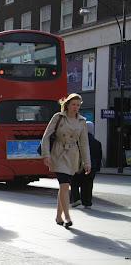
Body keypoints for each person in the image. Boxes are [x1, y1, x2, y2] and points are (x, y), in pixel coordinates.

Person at [41, 93, 91, 228]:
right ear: (67, 104)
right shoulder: (58, 117)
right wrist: (46, 154)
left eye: (78, 105)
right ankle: (67, 216)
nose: (76, 107)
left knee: (63, 187)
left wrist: (87, 162)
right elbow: (46, 136)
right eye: (74, 104)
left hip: (73, 156)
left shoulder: (82, 121)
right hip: (58, 153)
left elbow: (84, 143)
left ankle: (58, 216)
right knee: (64, 185)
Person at [71, 121, 102, 208]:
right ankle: (87, 202)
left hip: (78, 165)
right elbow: (99, 157)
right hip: (92, 166)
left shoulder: (77, 140)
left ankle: (76, 199)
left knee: (74, 182)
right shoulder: (97, 143)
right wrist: (97, 168)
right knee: (88, 185)